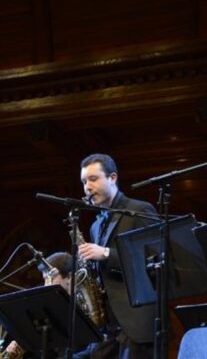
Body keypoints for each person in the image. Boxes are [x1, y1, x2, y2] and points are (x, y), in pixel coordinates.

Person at [77, 153, 157, 359]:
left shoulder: (139, 210)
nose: (87, 187)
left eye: (93, 179)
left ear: (112, 178)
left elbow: (154, 257)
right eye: (84, 182)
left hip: (137, 320)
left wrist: (105, 253)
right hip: (109, 324)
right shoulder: (95, 225)